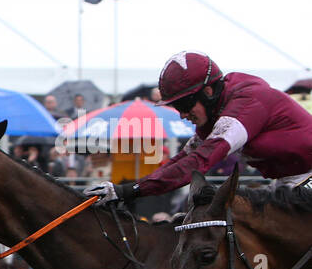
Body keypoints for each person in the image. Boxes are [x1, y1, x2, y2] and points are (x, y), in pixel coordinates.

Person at [86, 52, 312, 205]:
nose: (183, 115)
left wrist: (131, 192)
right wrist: (126, 188)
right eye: (176, 107)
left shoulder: (247, 103)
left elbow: (199, 163)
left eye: (184, 105)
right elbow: (180, 162)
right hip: (290, 182)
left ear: (209, 92)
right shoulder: (215, 113)